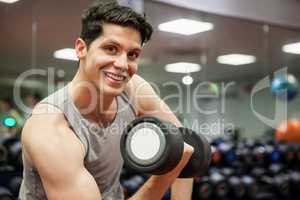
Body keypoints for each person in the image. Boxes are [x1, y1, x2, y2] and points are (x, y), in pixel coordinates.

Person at [19, 1, 194, 200]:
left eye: (132, 54)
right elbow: (179, 158)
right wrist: (167, 173)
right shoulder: (49, 128)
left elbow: (186, 145)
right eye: (111, 49)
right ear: (81, 48)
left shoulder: (133, 89)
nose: (122, 64)